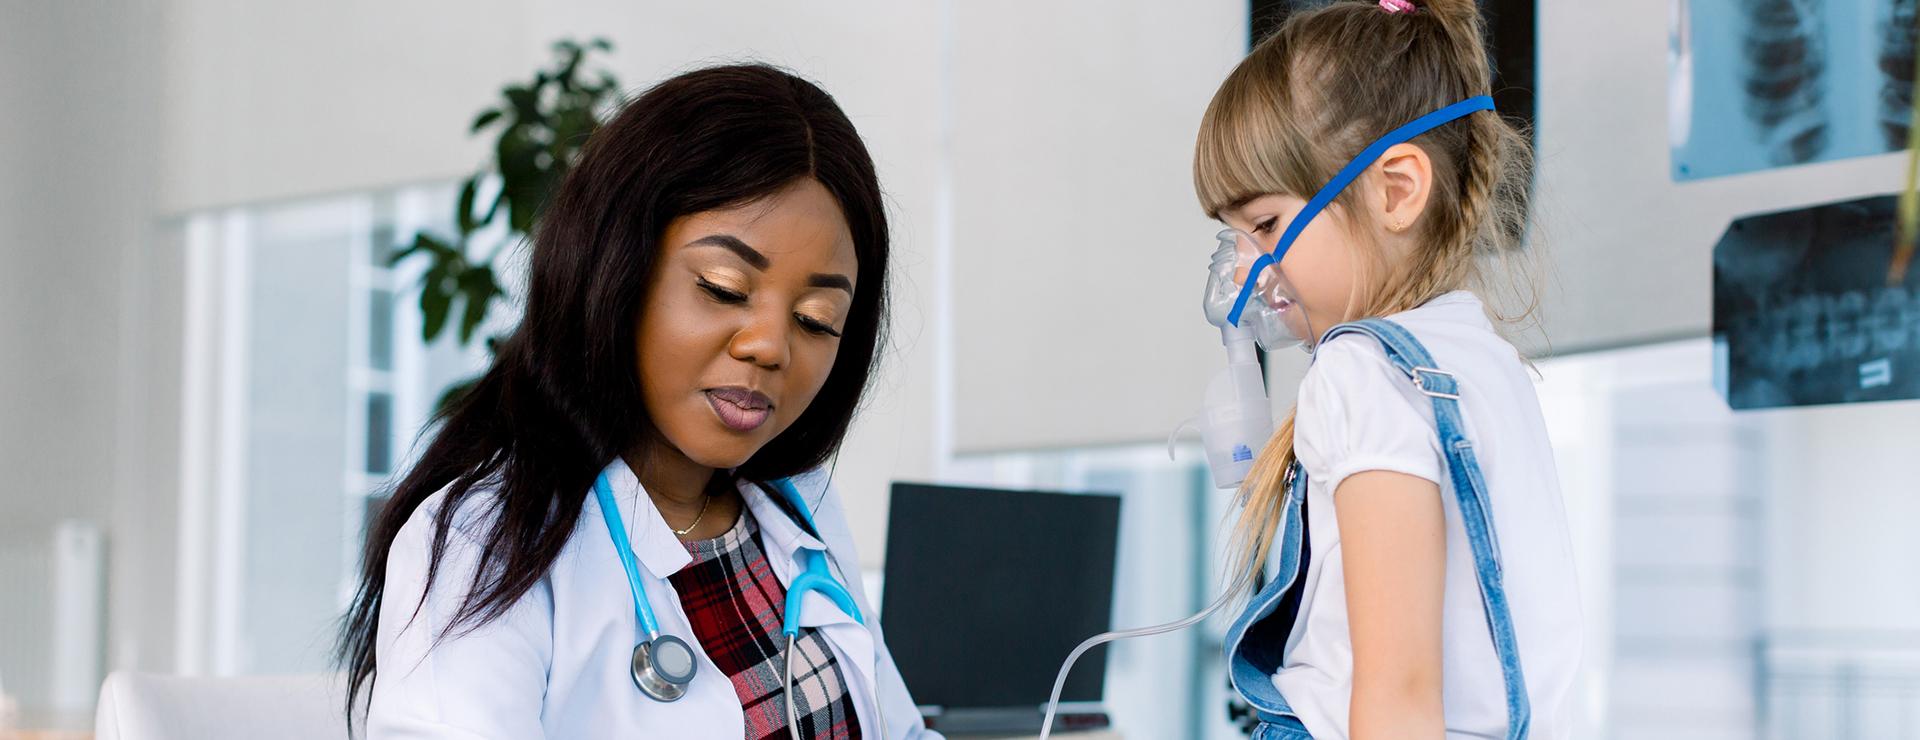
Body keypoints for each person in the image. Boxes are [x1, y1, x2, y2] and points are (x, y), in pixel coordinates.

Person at [338, 63, 939, 739]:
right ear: (616, 270)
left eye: (817, 318)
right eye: (723, 287)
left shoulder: (802, 504)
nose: (771, 346)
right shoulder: (488, 544)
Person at [1193, 1, 1582, 737]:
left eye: (1264, 224)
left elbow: (1399, 696)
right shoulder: (1489, 365)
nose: (1241, 267)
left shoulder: (1359, 373)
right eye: (1230, 234)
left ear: (1396, 191)